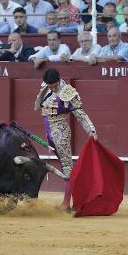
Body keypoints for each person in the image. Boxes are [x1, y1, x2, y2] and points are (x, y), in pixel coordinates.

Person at [33, 67, 97, 211]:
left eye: (55, 86)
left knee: (67, 167)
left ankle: (67, 203)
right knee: (68, 166)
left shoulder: (67, 92)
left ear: (59, 81)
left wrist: (91, 130)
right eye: (50, 86)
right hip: (49, 132)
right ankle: (80, 197)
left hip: (60, 132)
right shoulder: (46, 87)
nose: (53, 89)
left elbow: (80, 114)